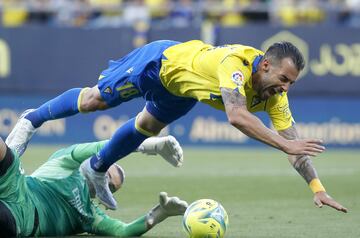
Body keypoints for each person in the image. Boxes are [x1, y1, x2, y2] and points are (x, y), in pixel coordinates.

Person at [6, 40, 347, 212]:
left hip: (183, 91)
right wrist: (285, 145)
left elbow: (296, 147)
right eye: (284, 78)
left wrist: (317, 188)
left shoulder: (275, 96)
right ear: (266, 65)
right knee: (95, 101)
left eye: (291, 83)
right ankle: (32, 119)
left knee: (147, 126)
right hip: (160, 63)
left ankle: (97, 168)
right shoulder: (237, 64)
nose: (285, 87)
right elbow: (236, 115)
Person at [0, 135, 188, 237]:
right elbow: (106, 146)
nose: (106, 180)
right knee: (7, 155)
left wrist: (160, 214)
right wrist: (149, 145)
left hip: (21, 218)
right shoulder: (66, 162)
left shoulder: (90, 216)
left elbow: (122, 231)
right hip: (14, 184)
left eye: (111, 186)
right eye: (107, 171)